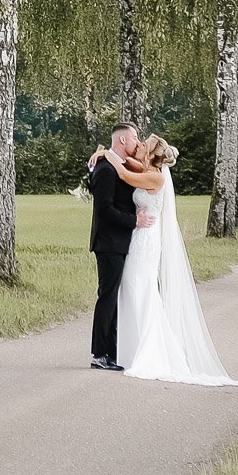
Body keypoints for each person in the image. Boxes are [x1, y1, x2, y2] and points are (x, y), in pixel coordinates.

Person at [89, 133, 238, 387]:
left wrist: (106, 153)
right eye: (137, 142)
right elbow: (125, 165)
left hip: (146, 240)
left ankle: (143, 349)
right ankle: (125, 347)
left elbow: (125, 174)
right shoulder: (147, 167)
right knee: (131, 290)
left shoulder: (155, 176)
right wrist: (101, 156)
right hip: (139, 238)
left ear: (150, 154)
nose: (138, 146)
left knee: (141, 289)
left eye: (142, 145)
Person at [87, 122, 141, 370]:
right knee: (107, 297)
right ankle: (100, 354)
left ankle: (112, 351)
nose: (137, 142)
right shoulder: (106, 169)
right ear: (121, 141)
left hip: (119, 242)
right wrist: (135, 221)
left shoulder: (116, 165)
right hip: (109, 243)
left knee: (114, 298)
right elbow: (104, 209)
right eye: (134, 138)